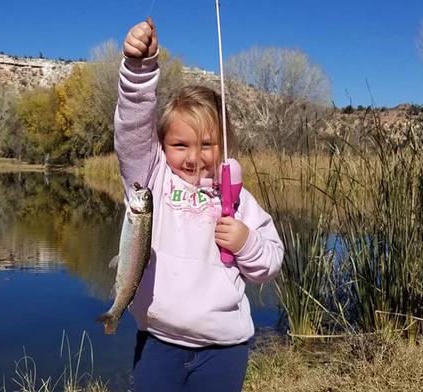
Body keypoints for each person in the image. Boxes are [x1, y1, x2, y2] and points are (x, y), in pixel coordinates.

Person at [114, 17, 284, 392]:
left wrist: (245, 243)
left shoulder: (237, 199)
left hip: (225, 350)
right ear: (161, 147)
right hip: (158, 342)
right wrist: (139, 70)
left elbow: (270, 263)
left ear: (223, 145)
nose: (193, 158)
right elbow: (132, 130)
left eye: (207, 144)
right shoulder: (152, 179)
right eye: (180, 146)